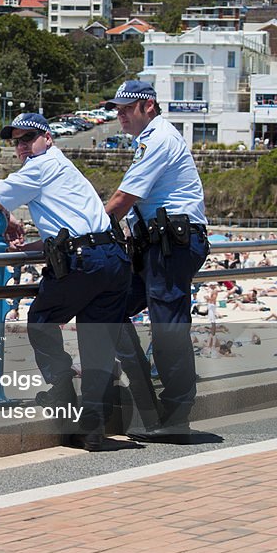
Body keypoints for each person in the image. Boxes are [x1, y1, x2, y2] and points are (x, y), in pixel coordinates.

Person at [0, 113, 131, 452]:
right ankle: (92, 429)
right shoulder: (67, 169)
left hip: (85, 263)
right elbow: (74, 228)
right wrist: (36, 245)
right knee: (98, 343)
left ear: (47, 138)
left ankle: (62, 387)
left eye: (28, 138)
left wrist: (7, 216)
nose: (22, 146)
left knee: (41, 319)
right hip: (112, 258)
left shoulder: (40, 166)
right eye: (17, 141)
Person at [103, 81, 210, 443]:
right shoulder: (150, 139)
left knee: (168, 327)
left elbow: (124, 198)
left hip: (172, 246)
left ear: (148, 106)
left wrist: (89, 232)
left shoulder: (158, 138)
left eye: (125, 110)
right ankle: (147, 401)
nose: (119, 116)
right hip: (155, 246)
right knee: (110, 304)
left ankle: (176, 415)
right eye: (116, 111)